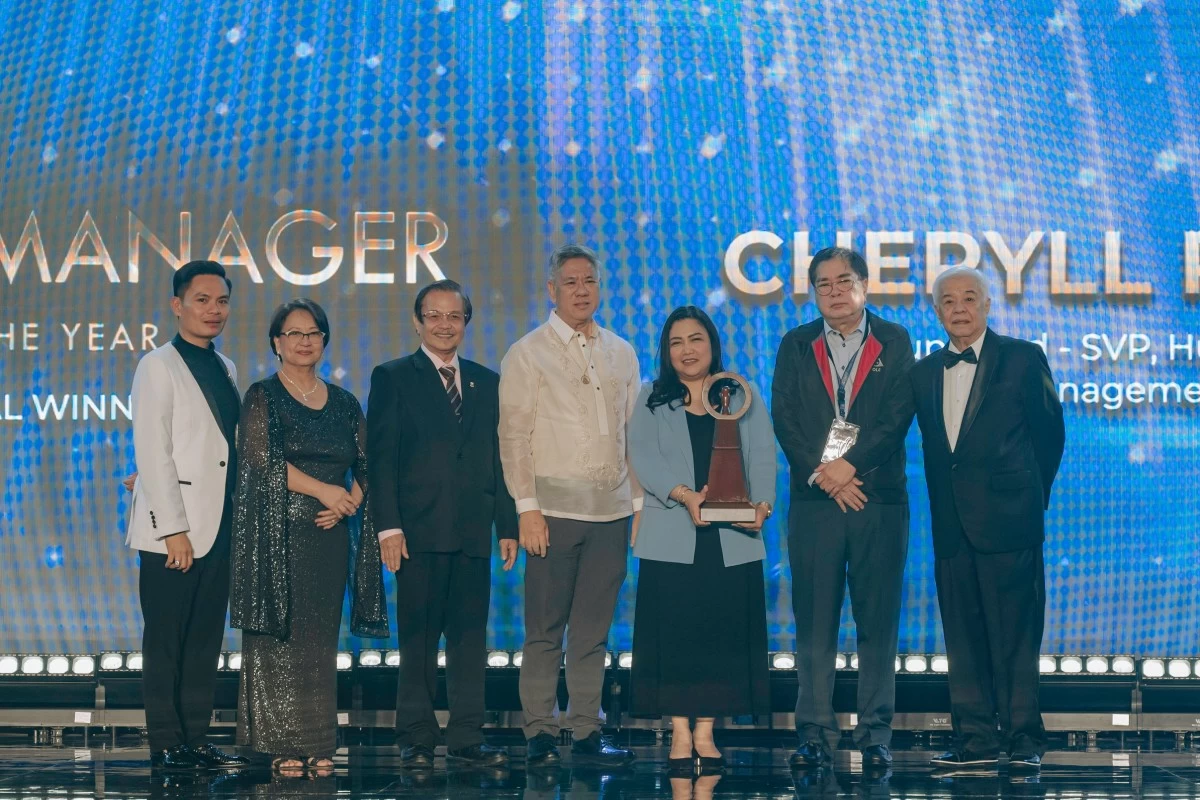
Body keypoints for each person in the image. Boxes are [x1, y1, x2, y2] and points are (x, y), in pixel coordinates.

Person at [909, 267, 1064, 772]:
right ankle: (974, 740)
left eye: (969, 298)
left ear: (988, 305)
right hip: (951, 526)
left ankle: (1023, 739)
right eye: (949, 301)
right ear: (937, 311)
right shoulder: (923, 372)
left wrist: (1027, 499)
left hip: (1011, 523)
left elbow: (1050, 436)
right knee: (962, 639)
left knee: (1016, 638)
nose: (959, 308)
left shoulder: (1022, 358)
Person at [771, 246, 915, 770]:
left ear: (864, 285)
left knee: (878, 620)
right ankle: (813, 732)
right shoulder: (797, 342)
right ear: (814, 291)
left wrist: (849, 467)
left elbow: (897, 416)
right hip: (816, 502)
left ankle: (875, 733)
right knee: (814, 622)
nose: (834, 291)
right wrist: (825, 476)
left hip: (878, 501)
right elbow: (785, 416)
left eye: (843, 280)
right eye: (823, 284)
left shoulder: (894, 340)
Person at [230, 298, 388, 775]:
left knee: (319, 644)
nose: (304, 341)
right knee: (280, 639)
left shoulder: (344, 402)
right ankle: (281, 743)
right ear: (276, 343)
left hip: (329, 538)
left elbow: (368, 463)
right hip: (277, 534)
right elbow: (261, 460)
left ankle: (318, 741)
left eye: (313, 332)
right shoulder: (263, 395)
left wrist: (348, 501)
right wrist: (324, 491)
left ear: (324, 340)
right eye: (294, 333)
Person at [498, 243, 642, 767]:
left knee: (592, 631)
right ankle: (538, 729)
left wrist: (638, 502)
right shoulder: (527, 352)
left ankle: (585, 729)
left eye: (590, 281)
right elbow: (513, 436)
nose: (582, 291)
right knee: (544, 629)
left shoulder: (622, 351)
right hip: (552, 513)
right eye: (571, 282)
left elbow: (632, 434)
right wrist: (527, 508)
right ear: (552, 289)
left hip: (611, 512)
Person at [366, 279, 519, 769]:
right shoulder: (392, 377)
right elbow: (381, 459)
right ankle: (416, 735)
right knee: (418, 641)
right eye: (434, 315)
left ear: (466, 323)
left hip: (473, 530)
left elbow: (498, 459)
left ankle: (467, 735)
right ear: (418, 322)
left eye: (454, 316)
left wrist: (507, 525)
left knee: (470, 641)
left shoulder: (486, 381)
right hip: (417, 532)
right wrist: (388, 527)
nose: (444, 325)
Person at [627, 306, 775, 772]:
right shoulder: (652, 398)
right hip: (672, 533)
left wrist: (762, 506)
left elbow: (763, 455)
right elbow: (642, 455)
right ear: (666, 351)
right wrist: (684, 495)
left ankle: (706, 729)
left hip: (731, 538)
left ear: (712, 344)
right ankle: (679, 729)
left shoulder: (740, 393)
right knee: (674, 635)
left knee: (718, 634)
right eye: (676, 342)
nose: (687, 350)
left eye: (696, 340)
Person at [126, 260, 250, 772]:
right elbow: (153, 451)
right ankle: (166, 742)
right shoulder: (157, 365)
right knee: (166, 640)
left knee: (203, 641)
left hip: (218, 524)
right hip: (173, 533)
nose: (213, 310)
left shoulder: (226, 367)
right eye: (202, 300)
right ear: (178, 306)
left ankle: (195, 737)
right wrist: (173, 529)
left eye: (221, 301)